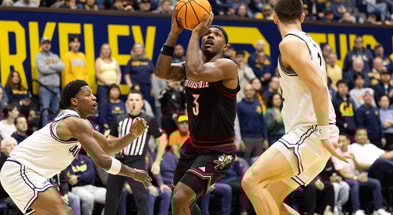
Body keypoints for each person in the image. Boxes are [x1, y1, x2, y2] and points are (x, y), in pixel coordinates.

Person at [241, 0, 350, 214]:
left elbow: (319, 88)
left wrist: (324, 134)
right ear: (302, 17)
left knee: (251, 181)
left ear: (274, 18)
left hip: (311, 131)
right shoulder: (311, 43)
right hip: (313, 133)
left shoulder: (289, 44)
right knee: (271, 197)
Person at [0, 80, 151, 215]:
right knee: (65, 212)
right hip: (21, 170)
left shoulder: (79, 125)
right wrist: (132, 173)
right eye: (88, 94)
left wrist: (132, 135)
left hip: (27, 173)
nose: (94, 97)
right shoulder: (75, 122)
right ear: (74, 101)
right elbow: (103, 161)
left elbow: (108, 146)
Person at [154, 10, 239, 215]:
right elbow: (161, 72)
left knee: (181, 196)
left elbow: (196, 71)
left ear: (225, 47)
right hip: (193, 146)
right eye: (207, 33)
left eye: (216, 34)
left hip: (219, 150)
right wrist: (174, 34)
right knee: (183, 202)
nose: (209, 35)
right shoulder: (190, 67)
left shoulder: (227, 66)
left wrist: (194, 33)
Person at [104, 90, 165, 215]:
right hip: (119, 161)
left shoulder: (148, 120)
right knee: (111, 198)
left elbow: (161, 140)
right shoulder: (119, 119)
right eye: (131, 100)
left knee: (141, 198)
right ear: (126, 103)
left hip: (137, 161)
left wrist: (157, 162)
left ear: (142, 103)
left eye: (137, 100)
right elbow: (110, 140)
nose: (134, 103)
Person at [35, 36, 64, 119]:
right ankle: (44, 131)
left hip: (56, 88)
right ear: (41, 45)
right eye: (44, 43)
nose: (46, 45)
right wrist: (56, 68)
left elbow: (62, 67)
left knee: (56, 111)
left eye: (48, 43)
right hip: (45, 88)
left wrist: (49, 65)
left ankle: (55, 131)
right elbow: (43, 69)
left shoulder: (55, 56)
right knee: (45, 111)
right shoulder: (39, 56)